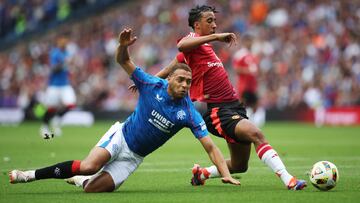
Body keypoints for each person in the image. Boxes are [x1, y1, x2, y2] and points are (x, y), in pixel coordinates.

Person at [9, 28, 240, 193]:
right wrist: (122, 46)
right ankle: (28, 175)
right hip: (121, 137)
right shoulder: (151, 84)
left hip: (134, 158)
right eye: (180, 80)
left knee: (92, 189)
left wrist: (226, 174)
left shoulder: (189, 112)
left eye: (188, 82)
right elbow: (123, 61)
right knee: (90, 165)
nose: (184, 85)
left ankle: (81, 180)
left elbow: (211, 147)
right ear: (170, 78)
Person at [153, 5, 306, 190]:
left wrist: (150, 81)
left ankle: (202, 173)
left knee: (240, 165)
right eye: (209, 21)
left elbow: (171, 66)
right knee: (256, 134)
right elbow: (181, 45)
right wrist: (146, 84)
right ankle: (289, 180)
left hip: (235, 107)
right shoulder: (193, 41)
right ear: (196, 25)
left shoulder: (201, 48)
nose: (214, 25)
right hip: (219, 111)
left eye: (215, 21)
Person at [40, 36, 76, 138]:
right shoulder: (55, 54)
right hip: (54, 85)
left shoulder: (67, 53)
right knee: (51, 108)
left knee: (71, 104)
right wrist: (64, 63)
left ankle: (56, 119)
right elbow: (53, 69)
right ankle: (45, 126)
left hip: (65, 84)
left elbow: (69, 68)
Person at [232, 34, 265, 127]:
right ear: (244, 42)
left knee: (255, 105)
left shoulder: (253, 55)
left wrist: (258, 74)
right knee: (243, 105)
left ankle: (251, 122)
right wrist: (248, 71)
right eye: (248, 41)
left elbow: (256, 70)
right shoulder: (240, 54)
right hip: (244, 85)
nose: (250, 43)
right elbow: (236, 69)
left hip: (252, 85)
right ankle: (239, 122)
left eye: (251, 41)